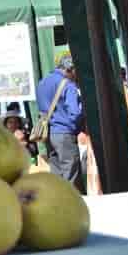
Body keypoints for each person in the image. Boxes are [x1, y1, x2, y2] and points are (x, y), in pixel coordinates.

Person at [36, 51, 84, 192]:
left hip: (48, 134)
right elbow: (75, 113)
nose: (76, 74)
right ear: (69, 67)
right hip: (65, 134)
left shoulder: (42, 83)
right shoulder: (68, 85)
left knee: (56, 173)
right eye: (75, 70)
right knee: (71, 175)